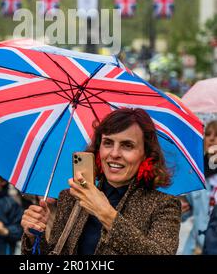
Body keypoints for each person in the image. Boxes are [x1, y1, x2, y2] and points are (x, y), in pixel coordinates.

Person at [21, 108, 182, 255]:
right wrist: (34, 236)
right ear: (99, 149)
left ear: (146, 154)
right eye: (108, 143)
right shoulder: (71, 197)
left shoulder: (164, 205)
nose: (114, 154)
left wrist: (106, 214)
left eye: (127, 145)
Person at [182, 120, 217, 255]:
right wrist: (180, 208)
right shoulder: (195, 174)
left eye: (216, 135)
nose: (212, 139)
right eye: (207, 134)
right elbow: (185, 214)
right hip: (196, 248)